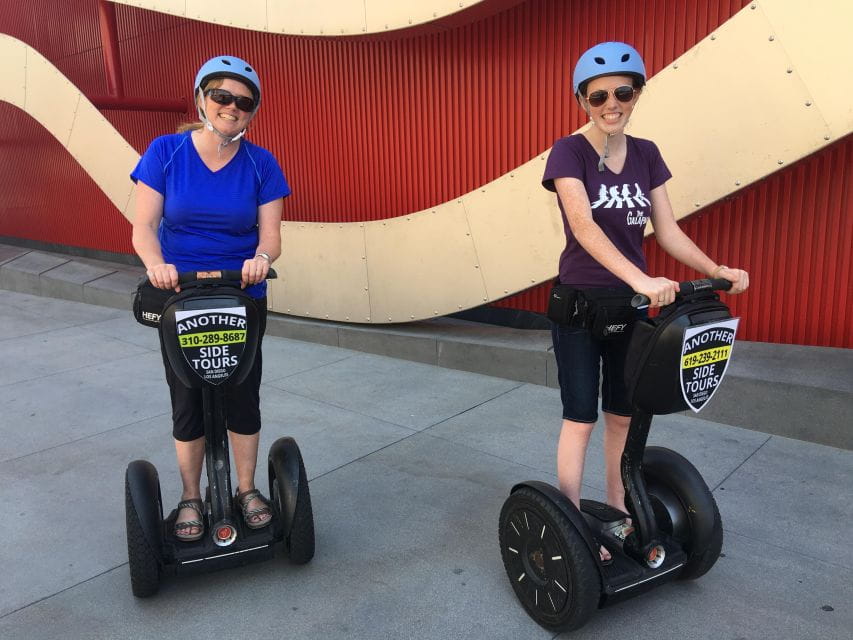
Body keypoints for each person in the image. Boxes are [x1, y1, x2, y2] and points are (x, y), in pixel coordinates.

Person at [542, 42, 749, 562]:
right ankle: (572, 523)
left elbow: (668, 230)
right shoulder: (568, 152)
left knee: (621, 415)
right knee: (581, 417)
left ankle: (619, 506)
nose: (611, 103)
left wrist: (714, 269)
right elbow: (584, 227)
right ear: (582, 101)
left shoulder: (648, 153)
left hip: (629, 307)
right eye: (599, 96)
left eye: (623, 92)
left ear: (637, 93)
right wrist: (642, 275)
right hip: (580, 306)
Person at [131, 55, 290, 541]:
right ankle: (190, 496)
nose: (232, 107)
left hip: (240, 292)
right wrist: (156, 265)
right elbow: (143, 227)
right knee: (188, 399)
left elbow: (271, 234)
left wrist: (261, 257)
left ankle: (245, 489)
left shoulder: (262, 163)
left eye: (244, 102)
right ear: (201, 98)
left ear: (252, 111)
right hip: (179, 292)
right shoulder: (166, 152)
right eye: (222, 96)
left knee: (243, 392)